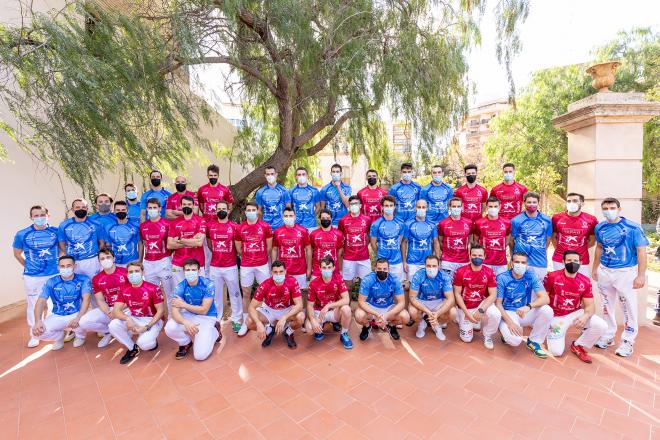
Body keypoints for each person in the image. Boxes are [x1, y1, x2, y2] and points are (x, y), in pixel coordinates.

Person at [592, 197, 649, 357]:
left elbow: (641, 252)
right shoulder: (600, 227)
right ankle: (608, 334)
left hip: (625, 273)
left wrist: (641, 275)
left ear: (619, 209)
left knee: (628, 307)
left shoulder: (633, 228)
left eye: (612, 207)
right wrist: (595, 268)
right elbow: (599, 247)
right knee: (606, 305)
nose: (608, 211)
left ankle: (628, 340)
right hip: (605, 271)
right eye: (605, 208)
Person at [545, 250, 607, 363]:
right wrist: (545, 320)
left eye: (575, 260)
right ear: (563, 261)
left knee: (601, 325)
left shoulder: (585, 281)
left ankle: (578, 345)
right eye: (569, 260)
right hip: (556, 317)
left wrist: (586, 316)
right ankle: (549, 332)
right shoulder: (552, 277)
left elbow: (590, 306)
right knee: (556, 352)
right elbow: (543, 299)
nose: (572, 263)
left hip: (574, 314)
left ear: (580, 262)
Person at [13, 205, 59, 348]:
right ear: (31, 217)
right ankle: (35, 334)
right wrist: (28, 266)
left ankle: (54, 331)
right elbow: (17, 253)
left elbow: (63, 249)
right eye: (36, 215)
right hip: (33, 277)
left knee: (55, 303)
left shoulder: (56, 232)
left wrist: (59, 265)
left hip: (54, 274)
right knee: (34, 304)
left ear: (48, 215)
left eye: (42, 214)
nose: (39, 217)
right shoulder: (22, 234)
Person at [496, 252, 553, 358]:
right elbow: (498, 303)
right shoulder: (502, 277)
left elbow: (545, 298)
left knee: (547, 310)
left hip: (523, 311)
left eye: (523, 262)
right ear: (511, 263)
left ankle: (534, 341)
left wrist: (529, 306)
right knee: (515, 340)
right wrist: (510, 323)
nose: (520, 264)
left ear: (527, 264)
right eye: (517, 262)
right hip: (508, 313)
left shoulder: (531, 276)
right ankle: (504, 331)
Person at [109, 261, 165, 364]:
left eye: (136, 271)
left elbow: (161, 311)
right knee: (113, 325)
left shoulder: (153, 288)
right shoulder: (124, 289)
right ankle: (132, 348)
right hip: (134, 317)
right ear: (127, 274)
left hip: (152, 320)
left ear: (142, 272)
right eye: (130, 272)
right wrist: (127, 318)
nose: (133, 274)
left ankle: (150, 341)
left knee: (145, 344)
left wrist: (147, 326)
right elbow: (116, 310)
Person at [165, 258, 221, 361]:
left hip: (207, 317)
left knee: (200, 356)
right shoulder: (180, 287)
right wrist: (185, 322)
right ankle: (185, 342)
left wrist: (184, 305)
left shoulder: (208, 284)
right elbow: (174, 312)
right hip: (189, 316)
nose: (190, 272)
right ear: (183, 271)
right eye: (187, 270)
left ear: (199, 271)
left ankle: (214, 331)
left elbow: (204, 310)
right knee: (170, 328)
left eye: (193, 270)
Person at [31, 255, 92, 350]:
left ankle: (80, 336)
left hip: (77, 313)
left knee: (84, 321)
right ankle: (59, 337)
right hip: (58, 315)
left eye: (68, 265)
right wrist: (38, 321)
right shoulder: (51, 282)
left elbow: (86, 299)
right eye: (62, 266)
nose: (65, 268)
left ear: (74, 266)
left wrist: (78, 318)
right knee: (35, 332)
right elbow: (41, 301)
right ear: (58, 267)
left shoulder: (84, 279)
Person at [246, 261, 305, 349]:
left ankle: (288, 332)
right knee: (249, 322)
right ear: (271, 273)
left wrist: (284, 318)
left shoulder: (292, 281)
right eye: (275, 272)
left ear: (285, 271)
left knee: (301, 317)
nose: (278, 274)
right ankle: (269, 331)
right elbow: (251, 307)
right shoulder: (265, 284)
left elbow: (299, 305)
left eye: (281, 272)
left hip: (287, 309)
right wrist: (258, 323)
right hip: (269, 310)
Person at [235, 201, 273, 336]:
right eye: (248, 210)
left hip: (262, 264)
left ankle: (266, 321)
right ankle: (246, 321)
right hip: (246, 265)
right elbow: (238, 248)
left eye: (253, 210)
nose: (250, 212)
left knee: (265, 293)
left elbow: (269, 247)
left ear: (258, 211)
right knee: (246, 293)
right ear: (245, 212)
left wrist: (260, 256)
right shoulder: (240, 228)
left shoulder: (265, 226)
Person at [452, 245, 501, 349]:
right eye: (474, 255)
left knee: (496, 314)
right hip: (465, 307)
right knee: (467, 339)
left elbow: (493, 294)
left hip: (480, 304)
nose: (477, 257)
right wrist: (466, 313)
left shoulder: (489, 271)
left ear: (484, 256)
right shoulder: (460, 271)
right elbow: (457, 294)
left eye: (480, 255)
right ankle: (460, 317)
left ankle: (487, 335)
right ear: (469, 256)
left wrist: (481, 310)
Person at [79, 248, 128, 348]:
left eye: (108, 257)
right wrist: (109, 313)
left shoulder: (125, 272)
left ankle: (119, 330)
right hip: (109, 309)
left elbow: (133, 295)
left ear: (114, 258)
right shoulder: (97, 279)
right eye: (102, 258)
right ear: (99, 261)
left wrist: (118, 310)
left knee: (123, 330)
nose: (106, 260)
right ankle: (108, 331)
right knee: (83, 322)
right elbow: (100, 300)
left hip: (126, 308)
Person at [206, 200, 243, 332]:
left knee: (235, 294)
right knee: (216, 295)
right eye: (218, 208)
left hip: (231, 265)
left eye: (224, 208)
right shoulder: (210, 226)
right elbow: (210, 244)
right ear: (215, 211)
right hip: (215, 266)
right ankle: (217, 320)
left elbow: (238, 245)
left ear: (228, 210)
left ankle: (237, 320)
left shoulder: (234, 226)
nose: (221, 210)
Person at [355, 259, 409, 341]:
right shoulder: (368, 280)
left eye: (384, 269)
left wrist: (387, 315)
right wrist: (376, 314)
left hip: (388, 307)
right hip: (371, 307)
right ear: (375, 269)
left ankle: (391, 325)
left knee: (405, 317)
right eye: (379, 269)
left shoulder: (395, 280)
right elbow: (361, 301)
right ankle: (367, 326)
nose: (382, 271)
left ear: (388, 269)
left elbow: (402, 303)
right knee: (359, 315)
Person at [306, 257, 353, 349]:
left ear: (333, 268)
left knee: (346, 309)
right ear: (319, 268)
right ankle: (319, 326)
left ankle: (344, 334)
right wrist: (312, 320)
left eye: (329, 267)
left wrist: (328, 306)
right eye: (324, 268)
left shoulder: (338, 279)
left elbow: (346, 299)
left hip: (334, 311)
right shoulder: (313, 283)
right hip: (319, 313)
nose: (326, 270)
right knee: (309, 329)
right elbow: (310, 305)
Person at [197, 164, 235, 273]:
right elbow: (201, 205)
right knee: (207, 252)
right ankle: (208, 276)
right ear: (207, 176)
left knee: (219, 250)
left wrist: (222, 217)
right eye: (210, 175)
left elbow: (230, 206)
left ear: (218, 175)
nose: (212, 177)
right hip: (206, 224)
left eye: (215, 175)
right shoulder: (202, 189)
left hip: (220, 225)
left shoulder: (225, 190)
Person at [139, 198, 175, 311]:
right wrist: (141, 262)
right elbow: (144, 243)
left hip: (164, 261)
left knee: (169, 293)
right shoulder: (143, 226)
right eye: (150, 208)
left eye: (154, 207)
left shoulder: (167, 224)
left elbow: (171, 244)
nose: (152, 210)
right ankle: (155, 317)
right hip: (149, 263)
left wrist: (169, 257)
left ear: (159, 209)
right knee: (151, 293)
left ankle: (171, 317)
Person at [408, 255, 454, 341]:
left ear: (439, 266)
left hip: (439, 301)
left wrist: (437, 313)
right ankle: (422, 323)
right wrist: (427, 311)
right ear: (425, 266)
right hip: (422, 301)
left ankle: (437, 325)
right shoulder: (418, 275)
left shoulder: (444, 276)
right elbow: (412, 297)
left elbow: (451, 298)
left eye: (434, 266)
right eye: (428, 266)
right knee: (412, 311)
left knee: (453, 313)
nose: (431, 268)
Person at [551, 193, 597, 276]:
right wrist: (560, 248)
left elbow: (592, 241)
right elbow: (553, 237)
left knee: (582, 285)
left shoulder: (591, 220)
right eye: (569, 201)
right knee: (559, 286)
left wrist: (579, 248)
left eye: (575, 201)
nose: (571, 203)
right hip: (559, 259)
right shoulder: (556, 218)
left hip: (581, 260)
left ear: (582, 203)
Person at [510, 192, 552, 281]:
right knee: (520, 291)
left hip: (540, 262)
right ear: (524, 203)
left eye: (534, 202)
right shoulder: (516, 220)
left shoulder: (547, 220)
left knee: (538, 292)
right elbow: (511, 242)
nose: (531, 204)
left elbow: (547, 241)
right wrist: (513, 258)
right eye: (529, 202)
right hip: (520, 263)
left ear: (538, 203)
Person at [58, 198, 103, 279]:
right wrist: (69, 257)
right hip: (73, 261)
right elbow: (62, 244)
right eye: (77, 207)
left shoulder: (96, 224)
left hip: (92, 261)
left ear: (87, 209)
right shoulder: (64, 225)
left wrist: (96, 257)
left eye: (83, 207)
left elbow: (102, 243)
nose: (81, 209)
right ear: (72, 209)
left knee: (93, 286)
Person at [167, 196, 207, 283]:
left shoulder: (201, 221)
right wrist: (192, 241)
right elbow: (169, 245)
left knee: (198, 294)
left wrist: (179, 239)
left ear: (193, 205)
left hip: (197, 263)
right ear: (180, 206)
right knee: (180, 294)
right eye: (184, 204)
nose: (187, 206)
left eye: (189, 204)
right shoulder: (174, 222)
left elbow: (199, 243)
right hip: (178, 264)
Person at [272, 207, 312, 291]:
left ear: (295, 217)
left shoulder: (303, 231)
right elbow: (275, 249)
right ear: (282, 217)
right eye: (286, 216)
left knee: (301, 292)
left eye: (290, 215)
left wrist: (309, 268)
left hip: (300, 269)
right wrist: (274, 267)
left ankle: (302, 305)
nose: (288, 218)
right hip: (283, 270)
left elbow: (308, 249)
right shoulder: (277, 231)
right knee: (284, 292)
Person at [338, 196, 372, 292]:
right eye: (352, 204)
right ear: (349, 206)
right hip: (348, 258)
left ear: (360, 205)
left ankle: (363, 306)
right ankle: (347, 306)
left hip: (364, 257)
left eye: (356, 203)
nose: (354, 206)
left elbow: (369, 235)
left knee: (366, 285)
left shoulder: (367, 219)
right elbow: (341, 237)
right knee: (347, 286)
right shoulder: (343, 221)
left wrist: (364, 245)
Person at [402, 199, 439, 282]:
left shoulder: (432, 225)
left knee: (427, 288)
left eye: (423, 207)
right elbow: (404, 243)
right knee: (410, 287)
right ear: (415, 208)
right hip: (412, 263)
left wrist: (437, 260)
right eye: (419, 207)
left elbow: (436, 242)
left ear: (427, 208)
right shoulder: (408, 224)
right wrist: (404, 262)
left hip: (428, 263)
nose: (421, 209)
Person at [473, 197, 511, 276]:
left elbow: (507, 240)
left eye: (495, 206)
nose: (493, 209)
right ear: (486, 207)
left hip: (501, 263)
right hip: (484, 262)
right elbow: (475, 241)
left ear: (500, 207)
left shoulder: (507, 222)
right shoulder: (479, 223)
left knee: (500, 287)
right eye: (490, 206)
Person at [437, 197, 472, 280]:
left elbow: (469, 240)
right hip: (448, 262)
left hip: (464, 261)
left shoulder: (469, 223)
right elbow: (440, 241)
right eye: (454, 206)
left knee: (463, 287)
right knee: (447, 286)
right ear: (449, 207)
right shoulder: (443, 223)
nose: (456, 208)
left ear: (462, 207)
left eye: (458, 206)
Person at [101, 201, 142, 267]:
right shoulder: (108, 227)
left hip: (133, 262)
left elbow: (140, 244)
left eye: (123, 210)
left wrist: (140, 261)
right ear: (114, 211)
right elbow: (107, 246)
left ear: (127, 211)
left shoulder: (136, 226)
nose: (121, 212)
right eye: (118, 210)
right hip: (115, 263)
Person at [310, 210, 344, 278]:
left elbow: (340, 254)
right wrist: (310, 268)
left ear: (331, 219)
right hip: (317, 270)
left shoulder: (338, 234)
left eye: (328, 218)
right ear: (319, 219)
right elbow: (311, 251)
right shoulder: (313, 234)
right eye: (323, 218)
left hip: (334, 269)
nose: (325, 220)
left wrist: (340, 269)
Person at [256, 165, 291, 230]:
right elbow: (259, 211)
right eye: (268, 174)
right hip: (266, 227)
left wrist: (288, 226)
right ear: (265, 176)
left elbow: (288, 209)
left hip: (281, 227)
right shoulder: (260, 192)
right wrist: (261, 225)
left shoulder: (284, 191)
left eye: (272, 174)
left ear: (276, 174)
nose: (270, 176)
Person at [289, 167, 321, 231]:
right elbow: (289, 207)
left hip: (311, 225)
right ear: (296, 177)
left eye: (303, 174)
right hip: (296, 225)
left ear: (307, 176)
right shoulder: (291, 191)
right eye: (299, 175)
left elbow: (318, 206)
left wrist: (312, 216)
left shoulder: (314, 190)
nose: (301, 176)